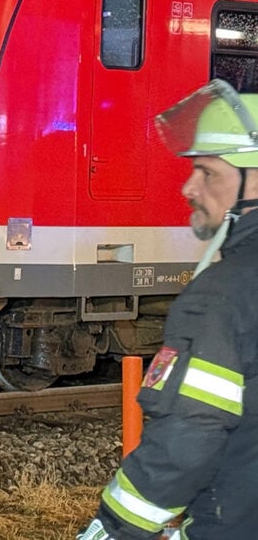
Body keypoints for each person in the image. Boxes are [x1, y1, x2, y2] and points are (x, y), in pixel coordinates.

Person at [78, 79, 258, 540]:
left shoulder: (224, 293)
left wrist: (115, 529)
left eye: (208, 172)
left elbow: (192, 431)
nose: (189, 187)